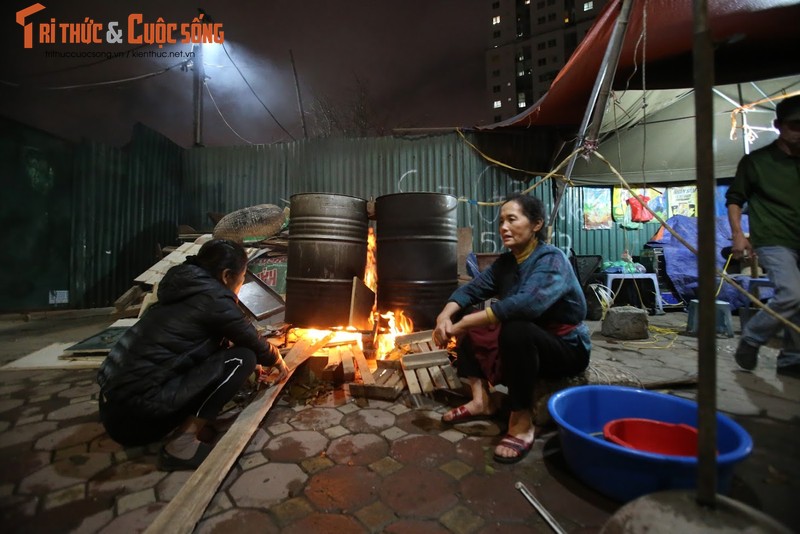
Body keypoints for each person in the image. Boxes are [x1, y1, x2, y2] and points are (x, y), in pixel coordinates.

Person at [96, 238, 289, 470]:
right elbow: (254, 344)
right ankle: (182, 445)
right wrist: (276, 358)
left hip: (113, 410)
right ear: (227, 276)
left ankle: (194, 421)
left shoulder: (183, 287)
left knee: (227, 354)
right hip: (137, 421)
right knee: (242, 358)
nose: (241, 283)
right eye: (243, 276)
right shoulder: (214, 297)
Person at [433, 194, 591, 464]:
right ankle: (481, 400)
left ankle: (521, 420)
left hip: (565, 347)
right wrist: (445, 315)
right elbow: (473, 288)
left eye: (512, 219)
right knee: (476, 320)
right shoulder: (507, 263)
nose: (503, 227)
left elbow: (527, 305)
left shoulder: (551, 260)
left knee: (512, 327)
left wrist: (465, 323)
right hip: (530, 342)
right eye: (501, 221)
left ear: (536, 224)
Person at [727, 95, 800, 375]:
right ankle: (753, 336)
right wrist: (738, 235)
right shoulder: (757, 162)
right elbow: (735, 198)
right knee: (791, 294)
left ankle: (792, 358)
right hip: (773, 238)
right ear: (779, 125)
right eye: (795, 125)